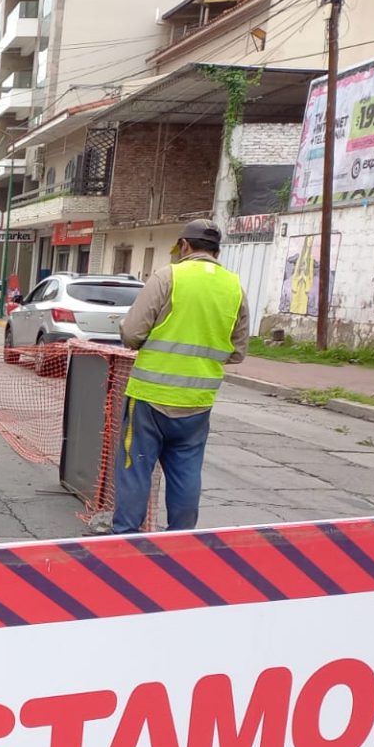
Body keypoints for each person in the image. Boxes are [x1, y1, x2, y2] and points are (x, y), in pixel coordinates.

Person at [114, 219, 249, 535]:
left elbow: (132, 333)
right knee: (187, 472)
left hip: (149, 398)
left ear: (184, 246)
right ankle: (181, 538)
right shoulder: (234, 287)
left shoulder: (168, 277)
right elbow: (237, 351)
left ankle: (125, 538)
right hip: (197, 402)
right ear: (216, 251)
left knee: (135, 468)